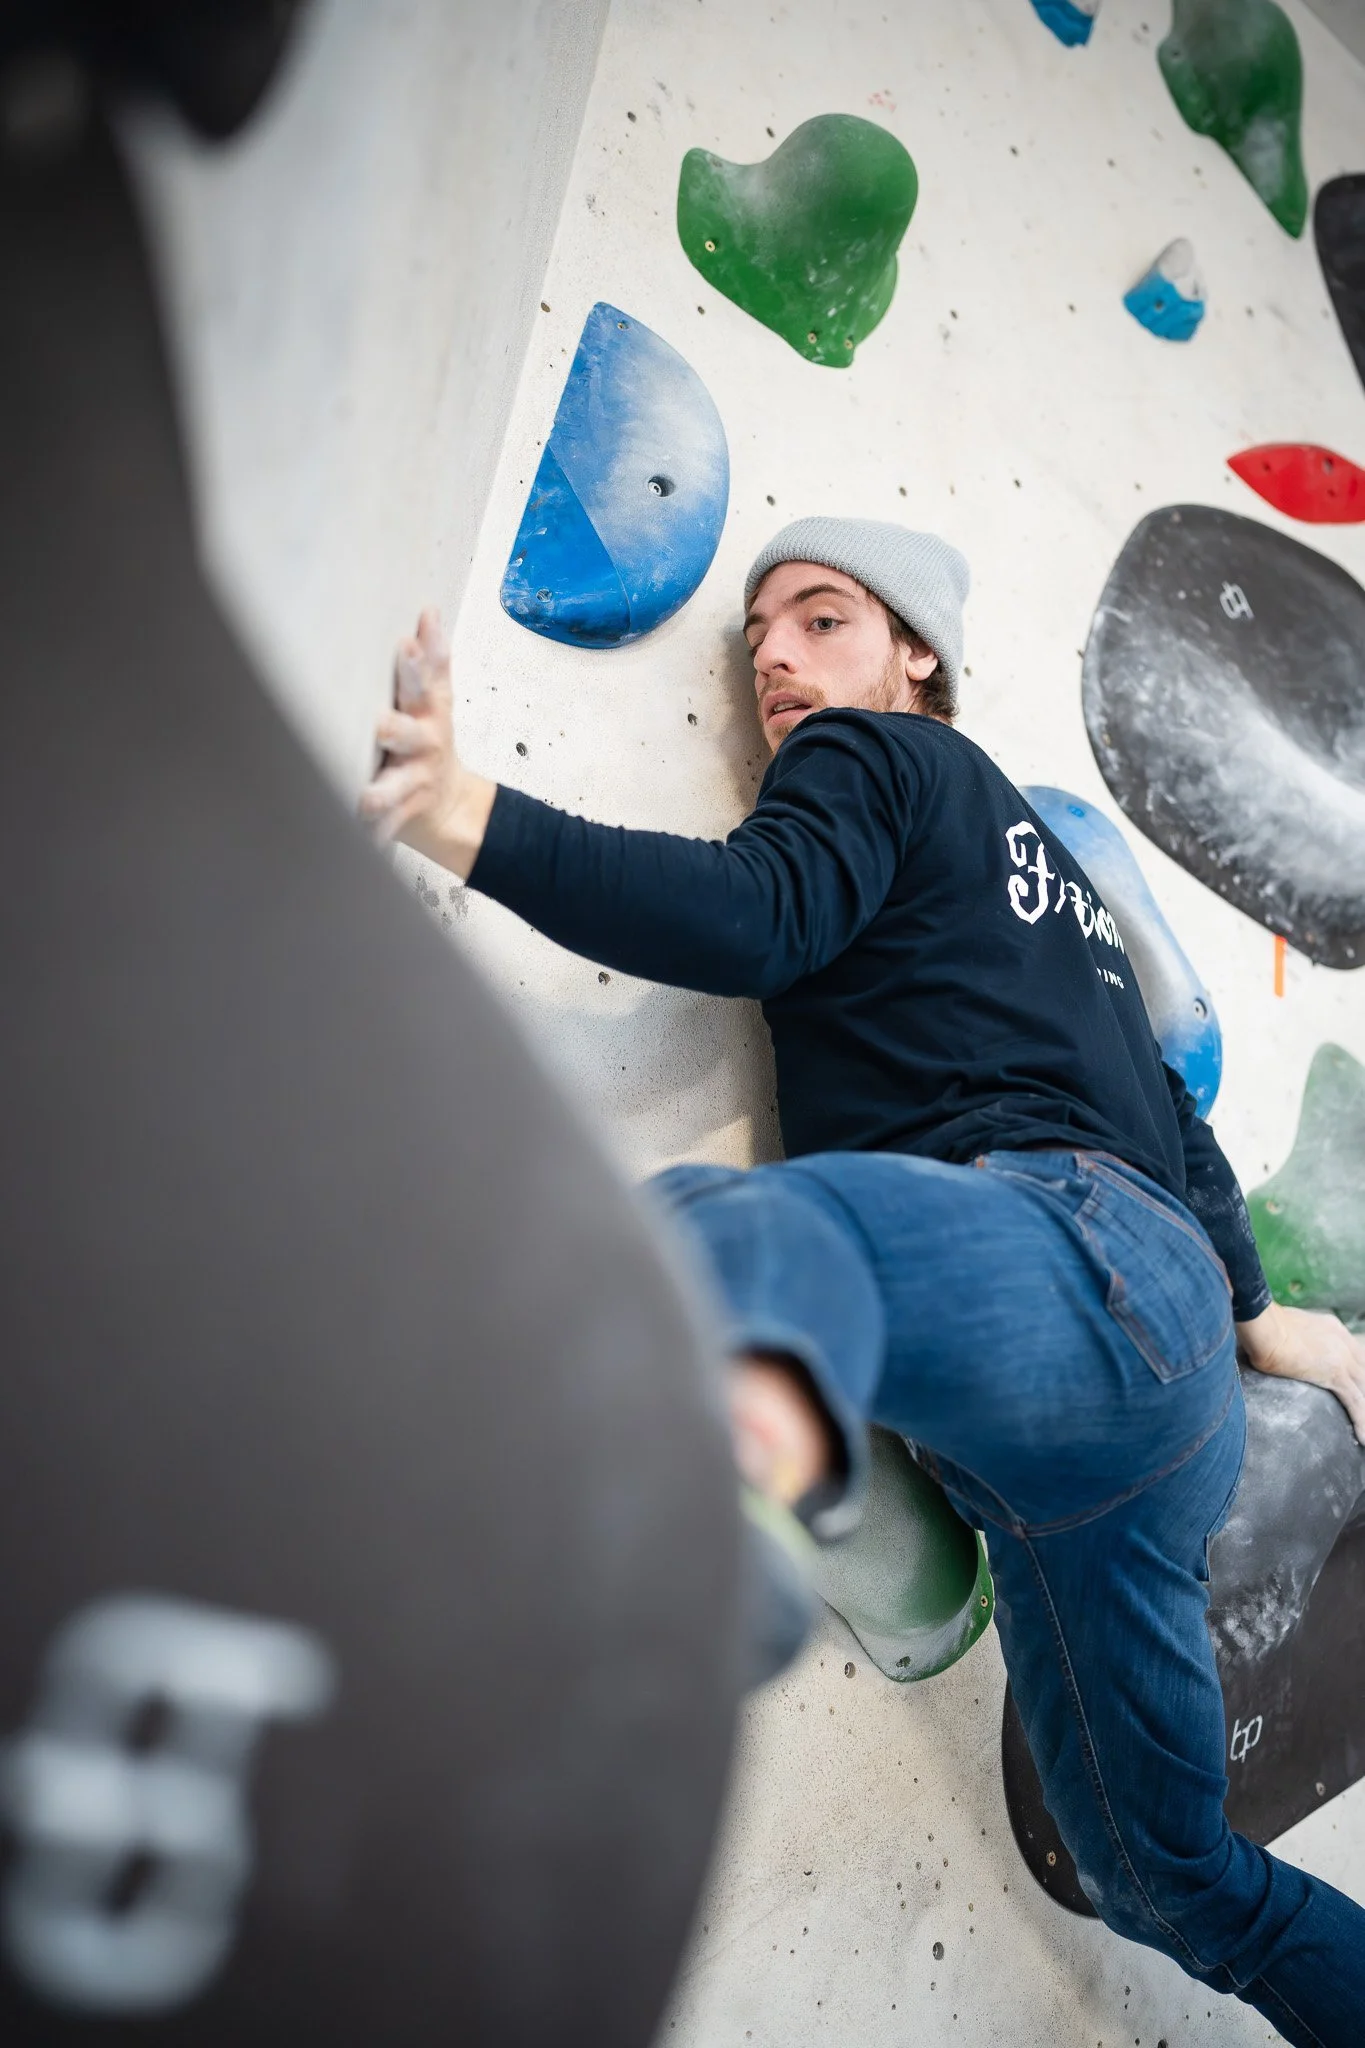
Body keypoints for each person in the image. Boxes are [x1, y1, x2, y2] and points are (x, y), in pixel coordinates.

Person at [361, 517, 1365, 2047]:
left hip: (1069, 1280)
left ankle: (642, 1582)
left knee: (720, 1247)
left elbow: (752, 914)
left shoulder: (878, 761)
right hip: (1135, 1437)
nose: (774, 656)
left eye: (819, 618)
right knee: (1165, 1877)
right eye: (759, 636)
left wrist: (457, 814)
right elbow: (1182, 1127)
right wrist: (1275, 1325)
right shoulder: (1053, 894)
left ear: (918, 658)